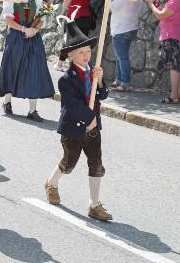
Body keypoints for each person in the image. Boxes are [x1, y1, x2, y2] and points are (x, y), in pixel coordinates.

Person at [44, 17, 111, 221]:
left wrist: (99, 82)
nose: (86, 55)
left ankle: (95, 204)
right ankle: (52, 183)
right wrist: (88, 118)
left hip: (92, 128)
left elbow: (103, 95)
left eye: (88, 51)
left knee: (96, 163)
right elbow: (72, 105)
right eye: (81, 52)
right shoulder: (66, 80)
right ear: (71, 56)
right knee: (69, 162)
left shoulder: (93, 73)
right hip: (73, 128)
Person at [0, 0, 54, 122]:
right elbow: (8, 21)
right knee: (12, 68)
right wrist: (24, 29)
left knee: (34, 70)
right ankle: (7, 102)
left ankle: (32, 110)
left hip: (33, 39)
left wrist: (34, 29)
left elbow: (40, 18)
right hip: (16, 38)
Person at [144, 0, 180, 103]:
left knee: (174, 66)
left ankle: (173, 95)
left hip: (172, 36)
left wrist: (150, 4)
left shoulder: (176, 0)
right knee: (179, 66)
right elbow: (167, 13)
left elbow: (160, 16)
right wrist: (157, 3)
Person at [56, 0, 95, 71]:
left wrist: (70, 6)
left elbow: (65, 5)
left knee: (69, 42)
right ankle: (78, 66)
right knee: (82, 44)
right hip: (86, 19)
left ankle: (60, 65)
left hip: (75, 19)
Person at [109, 0, 142, 91]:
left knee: (122, 58)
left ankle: (124, 84)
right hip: (131, 28)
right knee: (120, 56)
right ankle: (119, 80)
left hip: (120, 30)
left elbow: (110, 7)